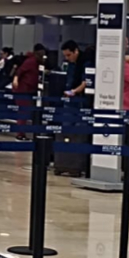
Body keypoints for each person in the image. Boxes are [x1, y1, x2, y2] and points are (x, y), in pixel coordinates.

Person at [58, 40, 94, 177]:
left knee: (78, 132)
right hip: (70, 100)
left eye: (69, 55)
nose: (67, 58)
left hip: (80, 102)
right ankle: (65, 161)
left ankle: (77, 164)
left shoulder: (86, 63)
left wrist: (73, 91)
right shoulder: (72, 65)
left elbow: (86, 82)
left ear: (76, 51)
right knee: (66, 131)